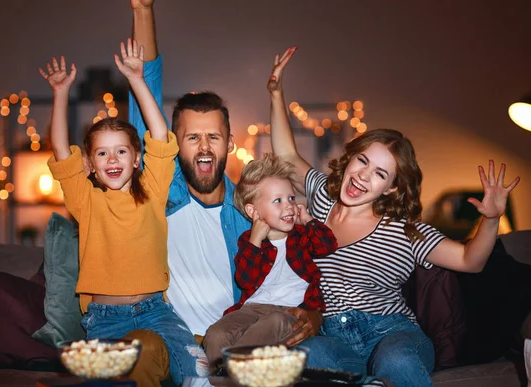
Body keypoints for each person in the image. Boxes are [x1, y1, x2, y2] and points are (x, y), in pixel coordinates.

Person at [267, 47, 520, 387]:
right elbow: (285, 154)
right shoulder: (322, 196)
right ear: (351, 158)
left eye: (380, 174)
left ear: (390, 189)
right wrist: (276, 93)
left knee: (395, 360)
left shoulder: (404, 231)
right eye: (363, 162)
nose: (363, 176)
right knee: (308, 356)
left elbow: (470, 260)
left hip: (393, 333)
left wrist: (490, 219)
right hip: (334, 335)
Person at [123, 1, 323, 385]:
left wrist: (314, 315)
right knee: (143, 350)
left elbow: (298, 268)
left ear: (229, 144)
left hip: (238, 340)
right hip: (174, 339)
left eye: (213, 137)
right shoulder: (164, 193)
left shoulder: (251, 213)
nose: (203, 147)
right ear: (174, 145)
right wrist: (143, 10)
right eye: (191, 137)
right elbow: (144, 89)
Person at [40, 38, 206, 386]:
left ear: (137, 158)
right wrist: (60, 93)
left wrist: (136, 79)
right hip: (104, 319)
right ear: (89, 164)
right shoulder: (85, 200)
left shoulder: (154, 190)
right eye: (102, 154)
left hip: (156, 312)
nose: (112, 159)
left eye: (120, 151)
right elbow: (59, 148)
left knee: (197, 371)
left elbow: (160, 135)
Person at [202, 153, 338, 367]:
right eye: (278, 201)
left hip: (289, 312)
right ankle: (225, 375)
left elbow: (328, 245)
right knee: (216, 334)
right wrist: (255, 239)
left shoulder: (301, 236)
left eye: (291, 198)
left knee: (275, 322)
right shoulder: (250, 242)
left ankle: (234, 371)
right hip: (251, 308)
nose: (289, 206)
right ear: (253, 211)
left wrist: (309, 220)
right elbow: (245, 280)